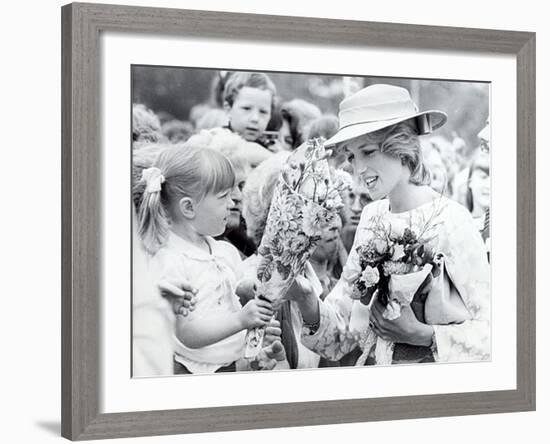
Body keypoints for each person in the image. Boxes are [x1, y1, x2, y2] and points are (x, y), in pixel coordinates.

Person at [288, 84, 490, 365]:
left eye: (368, 152)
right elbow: (344, 332)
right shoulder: (373, 216)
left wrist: (424, 335)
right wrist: (306, 300)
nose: (358, 170)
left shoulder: (453, 220)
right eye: (352, 156)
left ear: (401, 145)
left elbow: (495, 335)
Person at [136, 142, 274, 374]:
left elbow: (231, 293)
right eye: (223, 197)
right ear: (189, 208)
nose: (233, 203)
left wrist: (248, 290)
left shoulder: (223, 251)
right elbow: (187, 334)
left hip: (232, 364)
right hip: (194, 373)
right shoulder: (170, 261)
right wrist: (240, 320)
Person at [222, 72, 277, 148]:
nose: (255, 119)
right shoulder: (214, 143)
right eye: (246, 108)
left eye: (263, 112)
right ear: (228, 109)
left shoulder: (273, 148)